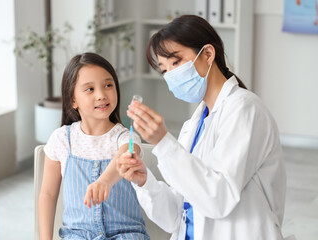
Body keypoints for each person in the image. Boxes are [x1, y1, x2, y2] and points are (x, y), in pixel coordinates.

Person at [117, 15, 287, 240]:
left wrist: (163, 142)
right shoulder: (194, 125)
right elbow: (175, 217)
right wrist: (144, 182)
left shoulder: (245, 109)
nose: (171, 75)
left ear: (208, 54)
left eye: (176, 62)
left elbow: (217, 199)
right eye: (165, 70)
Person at [39, 52, 150, 240]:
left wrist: (104, 181)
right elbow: (48, 194)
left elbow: (128, 154)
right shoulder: (61, 140)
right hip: (77, 236)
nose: (101, 95)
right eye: (89, 89)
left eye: (108, 85)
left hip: (126, 235)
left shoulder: (125, 137)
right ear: (73, 100)